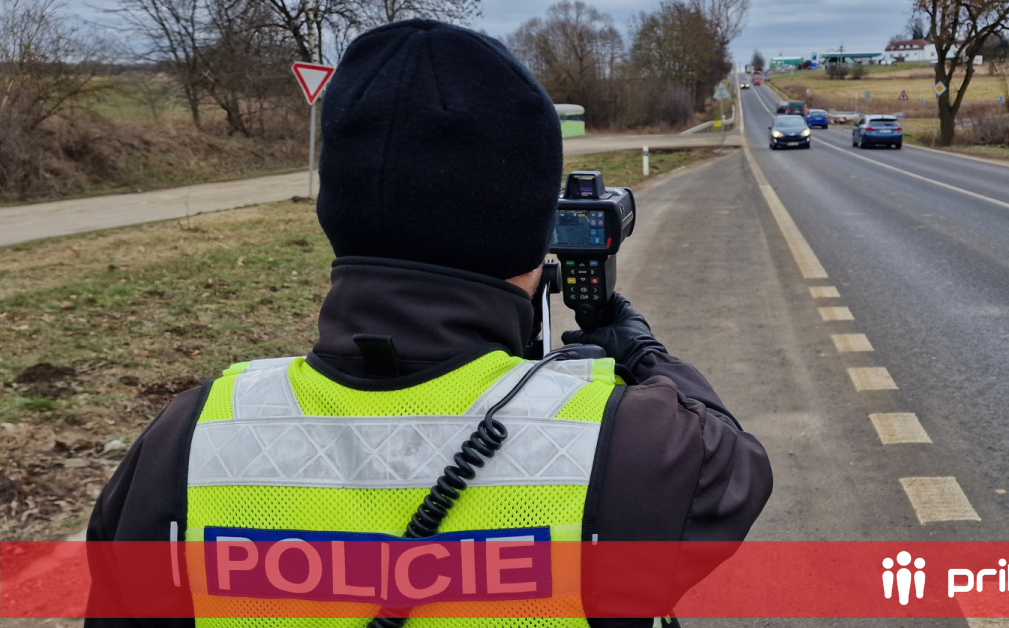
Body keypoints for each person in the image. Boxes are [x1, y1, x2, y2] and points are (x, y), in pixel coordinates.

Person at [85, 19, 772, 628]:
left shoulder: (184, 442)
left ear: (336, 214)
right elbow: (734, 465)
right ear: (532, 234)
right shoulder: (630, 445)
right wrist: (643, 353)